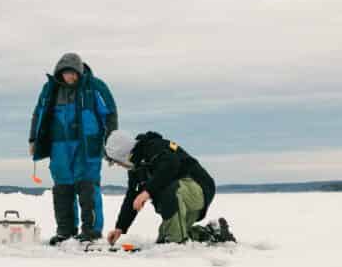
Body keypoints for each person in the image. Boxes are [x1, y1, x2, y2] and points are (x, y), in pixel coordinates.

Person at [28, 53, 118, 245]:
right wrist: (33, 139)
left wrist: (111, 141)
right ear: (59, 73)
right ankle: (65, 231)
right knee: (62, 188)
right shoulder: (50, 89)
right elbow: (39, 113)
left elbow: (110, 114)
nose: (70, 77)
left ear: (80, 71)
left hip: (87, 145)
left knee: (87, 186)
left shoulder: (95, 86)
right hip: (59, 146)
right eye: (66, 73)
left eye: (73, 73)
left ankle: (91, 232)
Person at [104, 130, 236, 245]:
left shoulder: (155, 147)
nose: (117, 165)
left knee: (172, 238)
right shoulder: (136, 168)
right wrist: (120, 228)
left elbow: (171, 165)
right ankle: (213, 231)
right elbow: (131, 197)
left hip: (198, 188)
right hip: (180, 198)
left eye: (115, 161)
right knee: (164, 239)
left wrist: (147, 192)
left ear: (124, 155)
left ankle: (176, 242)